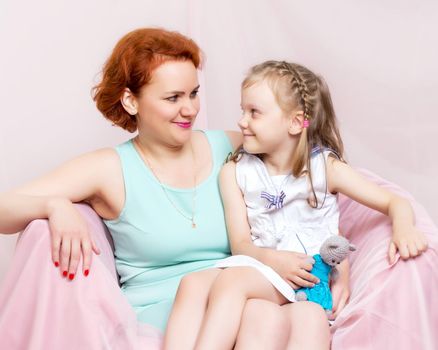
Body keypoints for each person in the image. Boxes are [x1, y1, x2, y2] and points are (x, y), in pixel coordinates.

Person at [0, 28, 326, 349]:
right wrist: (56, 205)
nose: (190, 110)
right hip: (166, 319)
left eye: (194, 93)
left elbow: (310, 162)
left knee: (286, 318)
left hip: (239, 299)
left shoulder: (231, 145)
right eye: (173, 98)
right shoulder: (110, 168)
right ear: (130, 101)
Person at [164, 60, 429, 350]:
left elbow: (395, 201)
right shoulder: (236, 171)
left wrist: (404, 228)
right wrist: (272, 260)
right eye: (243, 110)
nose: (242, 122)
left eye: (254, 113)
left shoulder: (325, 169)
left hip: (306, 272)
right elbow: (240, 243)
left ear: (294, 122)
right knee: (192, 283)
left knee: (231, 284)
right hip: (262, 264)